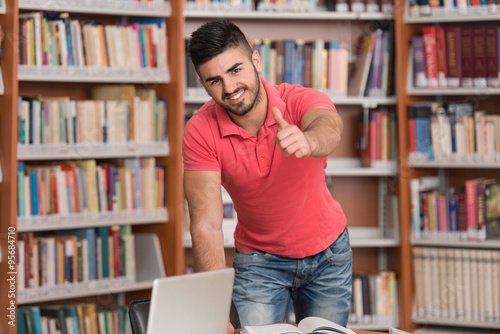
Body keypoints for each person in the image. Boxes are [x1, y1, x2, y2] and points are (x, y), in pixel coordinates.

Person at [183, 19, 352, 334]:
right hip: (259, 263)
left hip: (329, 254)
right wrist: (214, 308)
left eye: (236, 70)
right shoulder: (200, 131)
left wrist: (309, 140)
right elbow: (205, 224)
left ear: (256, 60)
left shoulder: (297, 100)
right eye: (214, 80)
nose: (229, 88)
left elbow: (329, 125)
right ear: (202, 83)